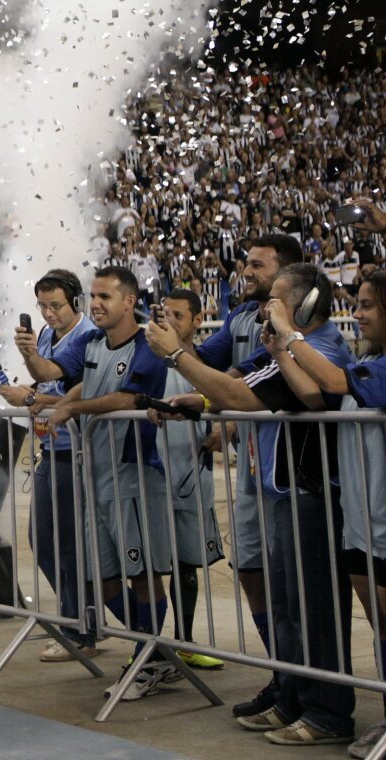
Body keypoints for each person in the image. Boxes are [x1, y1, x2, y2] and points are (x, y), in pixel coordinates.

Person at [149, 264, 356, 745]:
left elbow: (242, 395)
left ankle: (327, 712)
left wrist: (178, 355)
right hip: (285, 493)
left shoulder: (318, 349)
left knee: (315, 609)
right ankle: (293, 698)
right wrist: (199, 401)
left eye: (278, 300)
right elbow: (239, 384)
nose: (267, 308)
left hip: (310, 496)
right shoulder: (286, 350)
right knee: (288, 604)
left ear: (302, 307)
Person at [145, 233, 303, 717]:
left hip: (294, 472)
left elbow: (247, 387)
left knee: (296, 580)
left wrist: (201, 382)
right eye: (246, 264)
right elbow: (211, 369)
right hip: (252, 472)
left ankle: (309, 685)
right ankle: (284, 674)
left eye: (258, 265)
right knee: (252, 570)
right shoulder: (238, 318)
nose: (246, 271)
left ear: (287, 271)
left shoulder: (302, 324)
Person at [25, 266, 174, 700]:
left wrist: (73, 408)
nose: (96, 304)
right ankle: (158, 651)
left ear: (129, 301)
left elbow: (130, 397)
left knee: (143, 573)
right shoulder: (90, 343)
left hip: (132, 473)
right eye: (93, 296)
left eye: (105, 296)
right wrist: (48, 394)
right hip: (94, 476)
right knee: (104, 579)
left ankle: (150, 658)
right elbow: (60, 375)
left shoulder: (147, 344)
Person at [257, 269, 386, 758]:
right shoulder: (369, 359)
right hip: (361, 520)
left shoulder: (369, 364)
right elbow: (315, 396)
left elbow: (330, 379)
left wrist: (290, 335)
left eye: (368, 305)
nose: (358, 313)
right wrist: (278, 350)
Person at [0, 269, 97, 662]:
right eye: (42, 306)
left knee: (64, 543)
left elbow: (55, 377)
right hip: (51, 447)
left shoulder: (88, 336)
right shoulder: (44, 336)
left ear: (75, 301)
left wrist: (30, 387)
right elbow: (44, 386)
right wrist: (26, 394)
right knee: (44, 540)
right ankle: (78, 620)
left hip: (75, 450)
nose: (48, 313)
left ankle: (80, 626)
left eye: (55, 305)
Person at [148, 291, 225, 671]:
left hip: (193, 474)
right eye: (166, 314)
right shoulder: (147, 358)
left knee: (186, 562)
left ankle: (185, 640)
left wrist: (224, 427)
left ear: (197, 320)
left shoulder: (209, 362)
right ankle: (146, 644)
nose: (171, 321)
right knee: (147, 563)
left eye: (179, 315)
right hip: (151, 474)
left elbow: (230, 400)